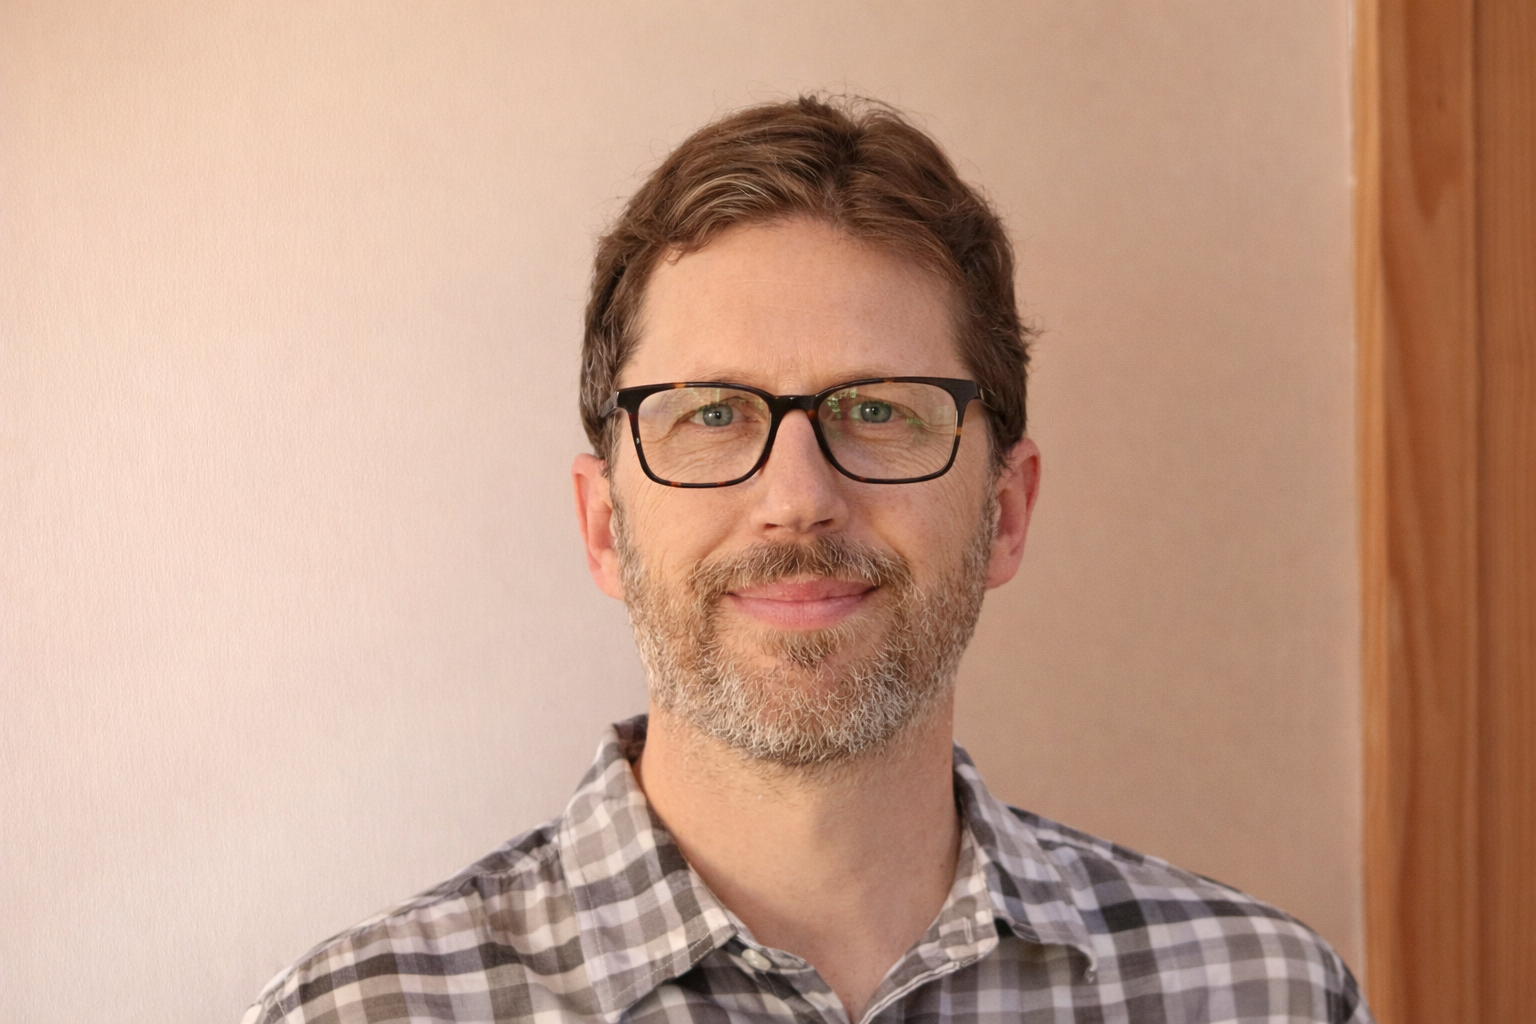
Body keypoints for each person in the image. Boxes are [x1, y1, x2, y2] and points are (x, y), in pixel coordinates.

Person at [243, 96, 1373, 1024]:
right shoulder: (358, 1012)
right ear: (603, 525)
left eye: (879, 410)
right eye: (714, 415)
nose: (797, 498)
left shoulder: (1268, 996)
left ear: (1008, 512)